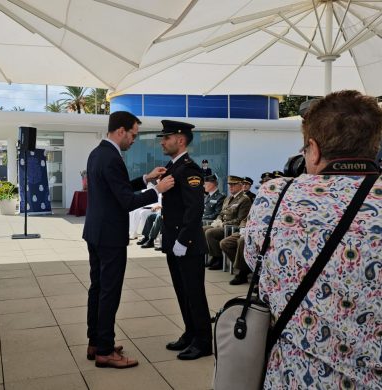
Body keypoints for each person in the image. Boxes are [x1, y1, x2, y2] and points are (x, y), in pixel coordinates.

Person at [245, 90, 382, 388]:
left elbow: (254, 261)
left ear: (314, 149)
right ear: (374, 145)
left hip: (293, 377)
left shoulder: (276, 196)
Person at [83, 111, 174, 369]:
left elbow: (117, 187)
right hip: (110, 236)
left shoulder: (98, 153)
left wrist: (145, 179)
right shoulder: (112, 157)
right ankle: (105, 351)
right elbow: (125, 200)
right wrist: (157, 190)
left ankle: (95, 341)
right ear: (121, 131)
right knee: (109, 292)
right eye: (133, 135)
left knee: (98, 289)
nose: (134, 140)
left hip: (96, 232)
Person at [158, 120, 212, 360]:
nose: (162, 141)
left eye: (166, 137)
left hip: (187, 244)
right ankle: (190, 333)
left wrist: (183, 240)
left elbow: (194, 209)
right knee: (182, 291)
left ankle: (203, 341)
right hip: (174, 243)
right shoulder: (172, 168)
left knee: (194, 293)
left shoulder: (189, 169)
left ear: (180, 140)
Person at [204, 176, 252, 270]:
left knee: (210, 232)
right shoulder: (228, 198)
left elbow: (240, 219)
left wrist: (223, 224)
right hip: (223, 226)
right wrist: (218, 220)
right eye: (230, 185)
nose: (231, 187)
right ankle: (214, 256)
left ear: (241, 185)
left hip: (232, 227)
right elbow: (221, 213)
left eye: (233, 185)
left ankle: (219, 259)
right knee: (203, 229)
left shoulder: (244, 199)